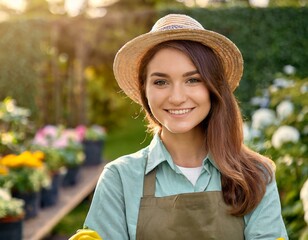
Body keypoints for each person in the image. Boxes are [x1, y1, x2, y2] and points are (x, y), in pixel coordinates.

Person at [71, 14, 288, 240]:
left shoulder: (256, 176)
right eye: (161, 82)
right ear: (145, 90)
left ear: (213, 87)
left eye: (192, 80)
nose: (176, 97)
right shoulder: (120, 179)